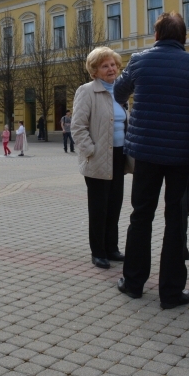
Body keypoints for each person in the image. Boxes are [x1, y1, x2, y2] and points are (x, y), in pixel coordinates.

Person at [113, 13, 189, 307]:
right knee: (176, 220)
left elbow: (119, 92)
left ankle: (133, 282)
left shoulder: (139, 60)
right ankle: (171, 292)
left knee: (141, 216)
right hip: (183, 157)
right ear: (183, 37)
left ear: (156, 35)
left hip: (145, 154)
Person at [72, 47, 129, 270]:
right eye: (105, 66)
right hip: (97, 157)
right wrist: (91, 151)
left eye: (113, 64)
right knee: (99, 207)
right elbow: (77, 127)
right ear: (95, 71)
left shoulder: (121, 91)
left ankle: (112, 247)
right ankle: (98, 252)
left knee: (115, 204)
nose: (111, 69)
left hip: (119, 155)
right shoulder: (87, 91)